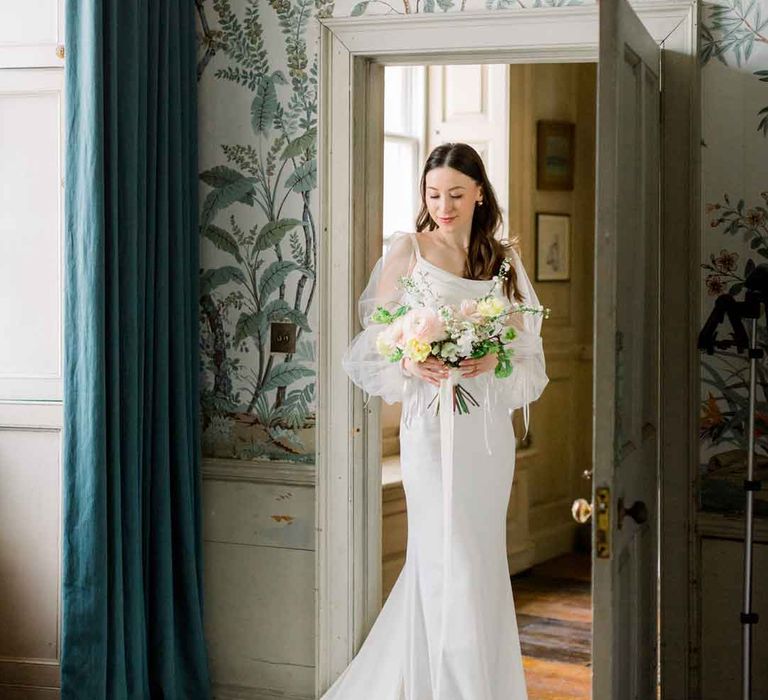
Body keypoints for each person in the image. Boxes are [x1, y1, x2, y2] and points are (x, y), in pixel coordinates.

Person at [325, 142, 549, 699]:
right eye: (433, 194)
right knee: (446, 555)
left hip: (485, 436)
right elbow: (372, 339)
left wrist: (493, 356)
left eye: (454, 193)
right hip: (429, 425)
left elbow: (528, 349)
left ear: (479, 193)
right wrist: (411, 355)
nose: (443, 205)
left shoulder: (502, 260)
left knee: (478, 556)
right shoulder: (409, 249)